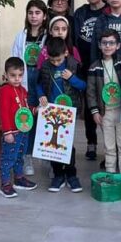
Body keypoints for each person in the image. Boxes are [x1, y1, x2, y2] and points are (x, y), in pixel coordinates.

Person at [37, 37, 87, 193]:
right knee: (53, 146)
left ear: (66, 52)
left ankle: (71, 175)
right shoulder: (45, 66)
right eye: (52, 60)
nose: (56, 63)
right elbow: (39, 84)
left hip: (68, 111)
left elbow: (84, 85)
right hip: (51, 111)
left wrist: (71, 78)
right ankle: (58, 175)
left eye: (58, 60)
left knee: (67, 145)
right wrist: (41, 95)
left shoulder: (73, 64)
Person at [11, 0, 48, 175]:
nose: (34, 16)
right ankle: (28, 158)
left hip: (41, 80)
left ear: (44, 15)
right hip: (25, 79)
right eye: (30, 12)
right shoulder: (21, 35)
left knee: (45, 118)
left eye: (38, 12)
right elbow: (14, 58)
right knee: (27, 118)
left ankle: (48, 156)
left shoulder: (49, 36)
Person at [73, 0, 107, 161]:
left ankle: (109, 147)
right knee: (89, 107)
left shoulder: (109, 10)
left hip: (104, 65)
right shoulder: (80, 13)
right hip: (84, 66)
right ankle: (91, 143)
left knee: (107, 105)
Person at [87, 29, 121, 174]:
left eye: (111, 43)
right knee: (109, 145)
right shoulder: (94, 67)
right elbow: (91, 92)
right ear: (99, 45)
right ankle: (110, 173)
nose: (107, 46)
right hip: (105, 112)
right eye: (104, 43)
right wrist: (95, 111)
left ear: (118, 45)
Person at [0, 57, 38, 198]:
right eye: (13, 75)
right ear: (6, 75)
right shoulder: (4, 91)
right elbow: (4, 112)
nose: (17, 79)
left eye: (20, 75)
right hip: (12, 132)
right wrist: (7, 132)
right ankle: (5, 184)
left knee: (20, 156)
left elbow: (24, 109)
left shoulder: (23, 90)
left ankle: (19, 179)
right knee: (8, 157)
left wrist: (35, 110)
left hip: (23, 131)